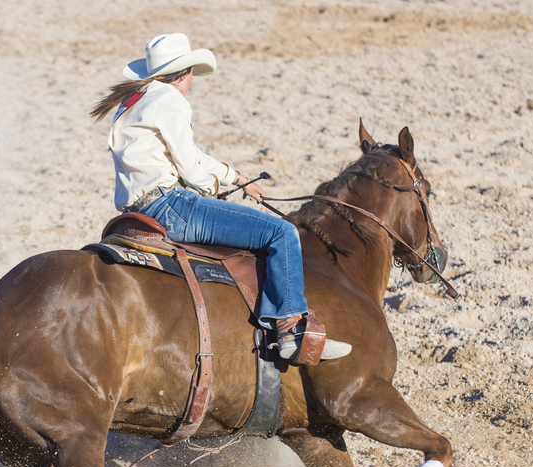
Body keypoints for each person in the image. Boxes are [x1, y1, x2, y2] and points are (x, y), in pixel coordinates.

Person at [91, 33, 351, 364]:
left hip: (138, 210)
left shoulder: (133, 102)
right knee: (281, 233)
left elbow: (162, 162)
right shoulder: (170, 100)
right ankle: (290, 329)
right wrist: (239, 178)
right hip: (170, 207)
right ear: (185, 74)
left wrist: (214, 184)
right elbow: (192, 166)